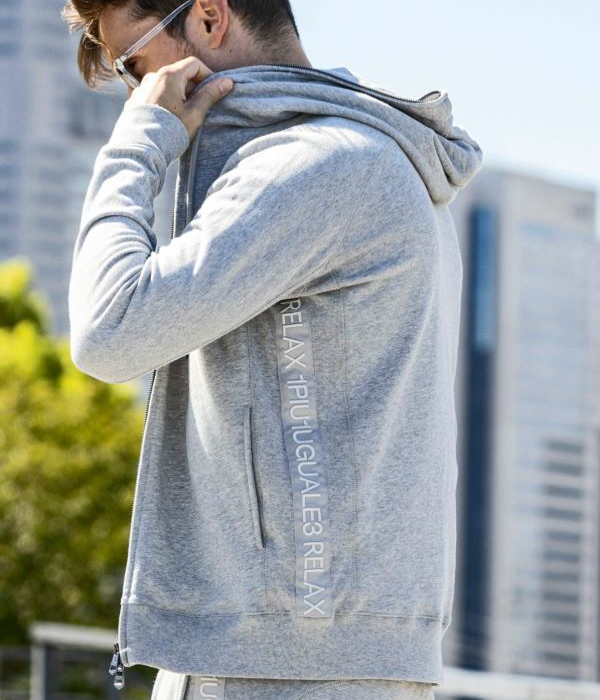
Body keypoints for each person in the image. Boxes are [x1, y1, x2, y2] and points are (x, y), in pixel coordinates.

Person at [62, 1, 484, 699]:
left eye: (134, 65)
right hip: (308, 649)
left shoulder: (313, 167)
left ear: (208, 16)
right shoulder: (357, 158)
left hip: (281, 660)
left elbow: (107, 330)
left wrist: (136, 145)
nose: (136, 95)